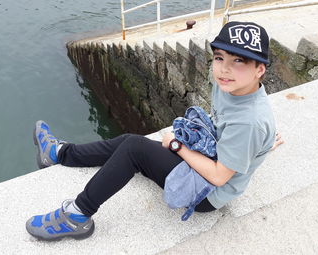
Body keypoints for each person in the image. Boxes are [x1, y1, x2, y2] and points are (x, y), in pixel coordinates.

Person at [26, 21, 283, 241]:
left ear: (260, 69)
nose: (224, 69)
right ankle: (60, 153)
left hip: (208, 194)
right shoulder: (231, 85)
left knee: (133, 148)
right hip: (212, 159)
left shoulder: (250, 123)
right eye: (219, 57)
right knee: (130, 140)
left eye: (238, 60)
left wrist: (176, 146)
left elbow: (218, 177)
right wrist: (259, 146)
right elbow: (245, 135)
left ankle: (76, 215)